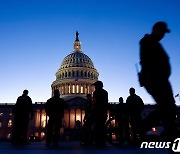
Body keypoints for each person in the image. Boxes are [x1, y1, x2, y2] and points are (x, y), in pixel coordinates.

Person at [139, 21, 177, 141]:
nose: (163, 35)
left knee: (168, 107)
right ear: (156, 29)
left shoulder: (153, 42)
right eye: (162, 32)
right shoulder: (149, 42)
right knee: (166, 106)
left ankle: (170, 132)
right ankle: (144, 127)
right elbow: (149, 63)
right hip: (156, 80)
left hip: (160, 80)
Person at [92, 81, 108, 146]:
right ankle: (102, 141)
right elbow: (106, 103)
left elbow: (94, 102)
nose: (95, 87)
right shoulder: (105, 92)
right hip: (103, 112)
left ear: (98, 86)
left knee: (97, 127)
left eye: (96, 86)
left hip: (97, 112)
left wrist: (93, 110)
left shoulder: (95, 93)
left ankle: (97, 141)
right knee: (102, 127)